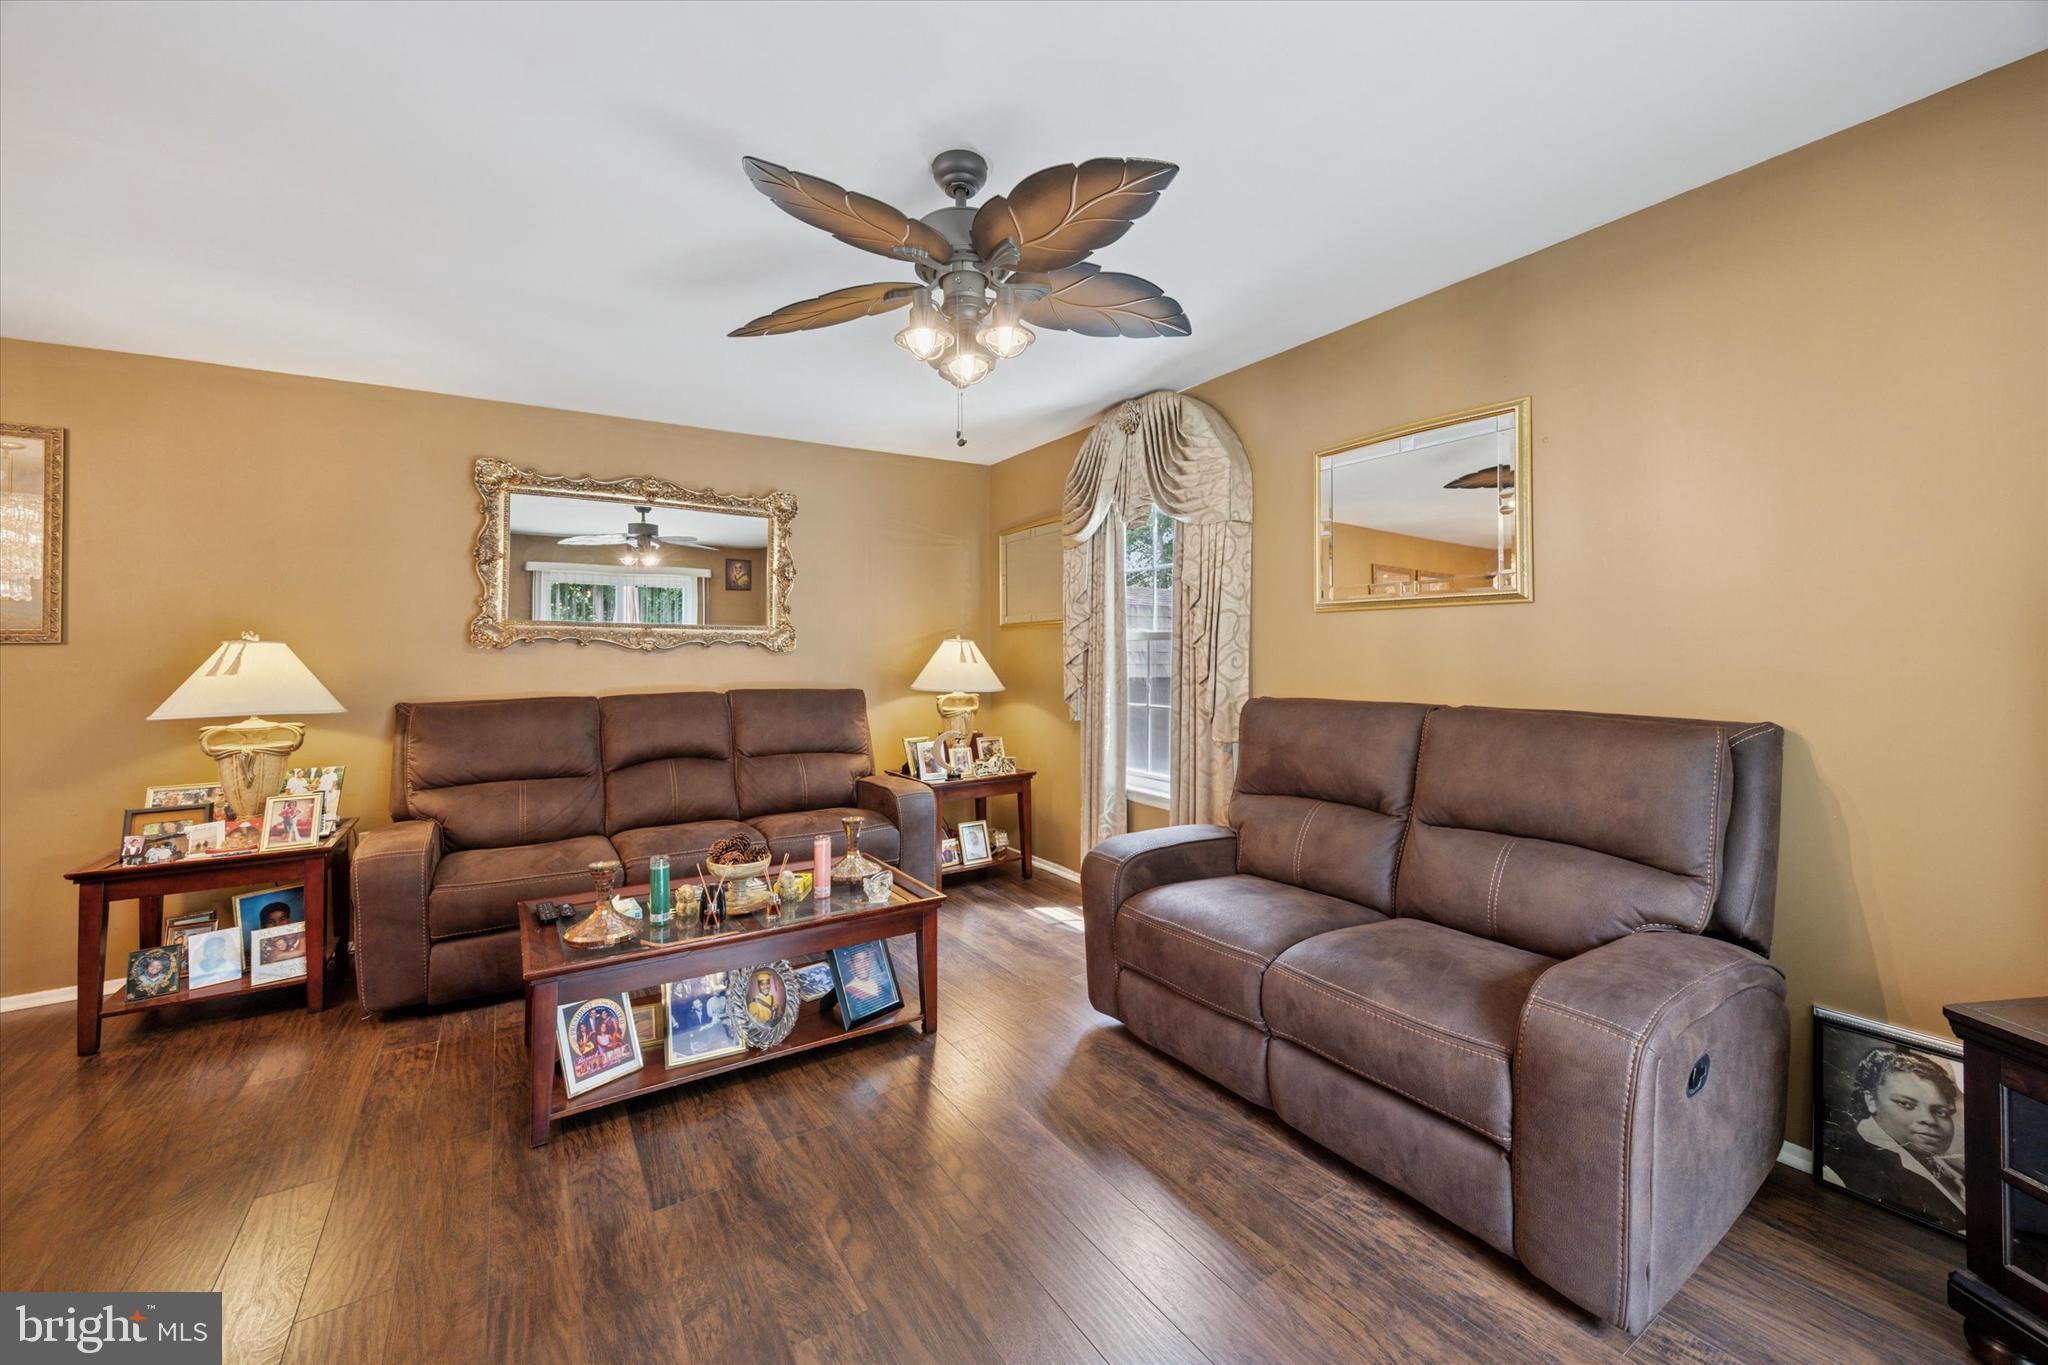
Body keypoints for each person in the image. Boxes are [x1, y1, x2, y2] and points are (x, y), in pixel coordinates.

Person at [1821, 1046, 1966, 1233]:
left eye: (1941, 1112)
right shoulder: (1843, 1165)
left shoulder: (1945, 1167)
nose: (1929, 1120)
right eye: (1906, 1104)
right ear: (1871, 1100)